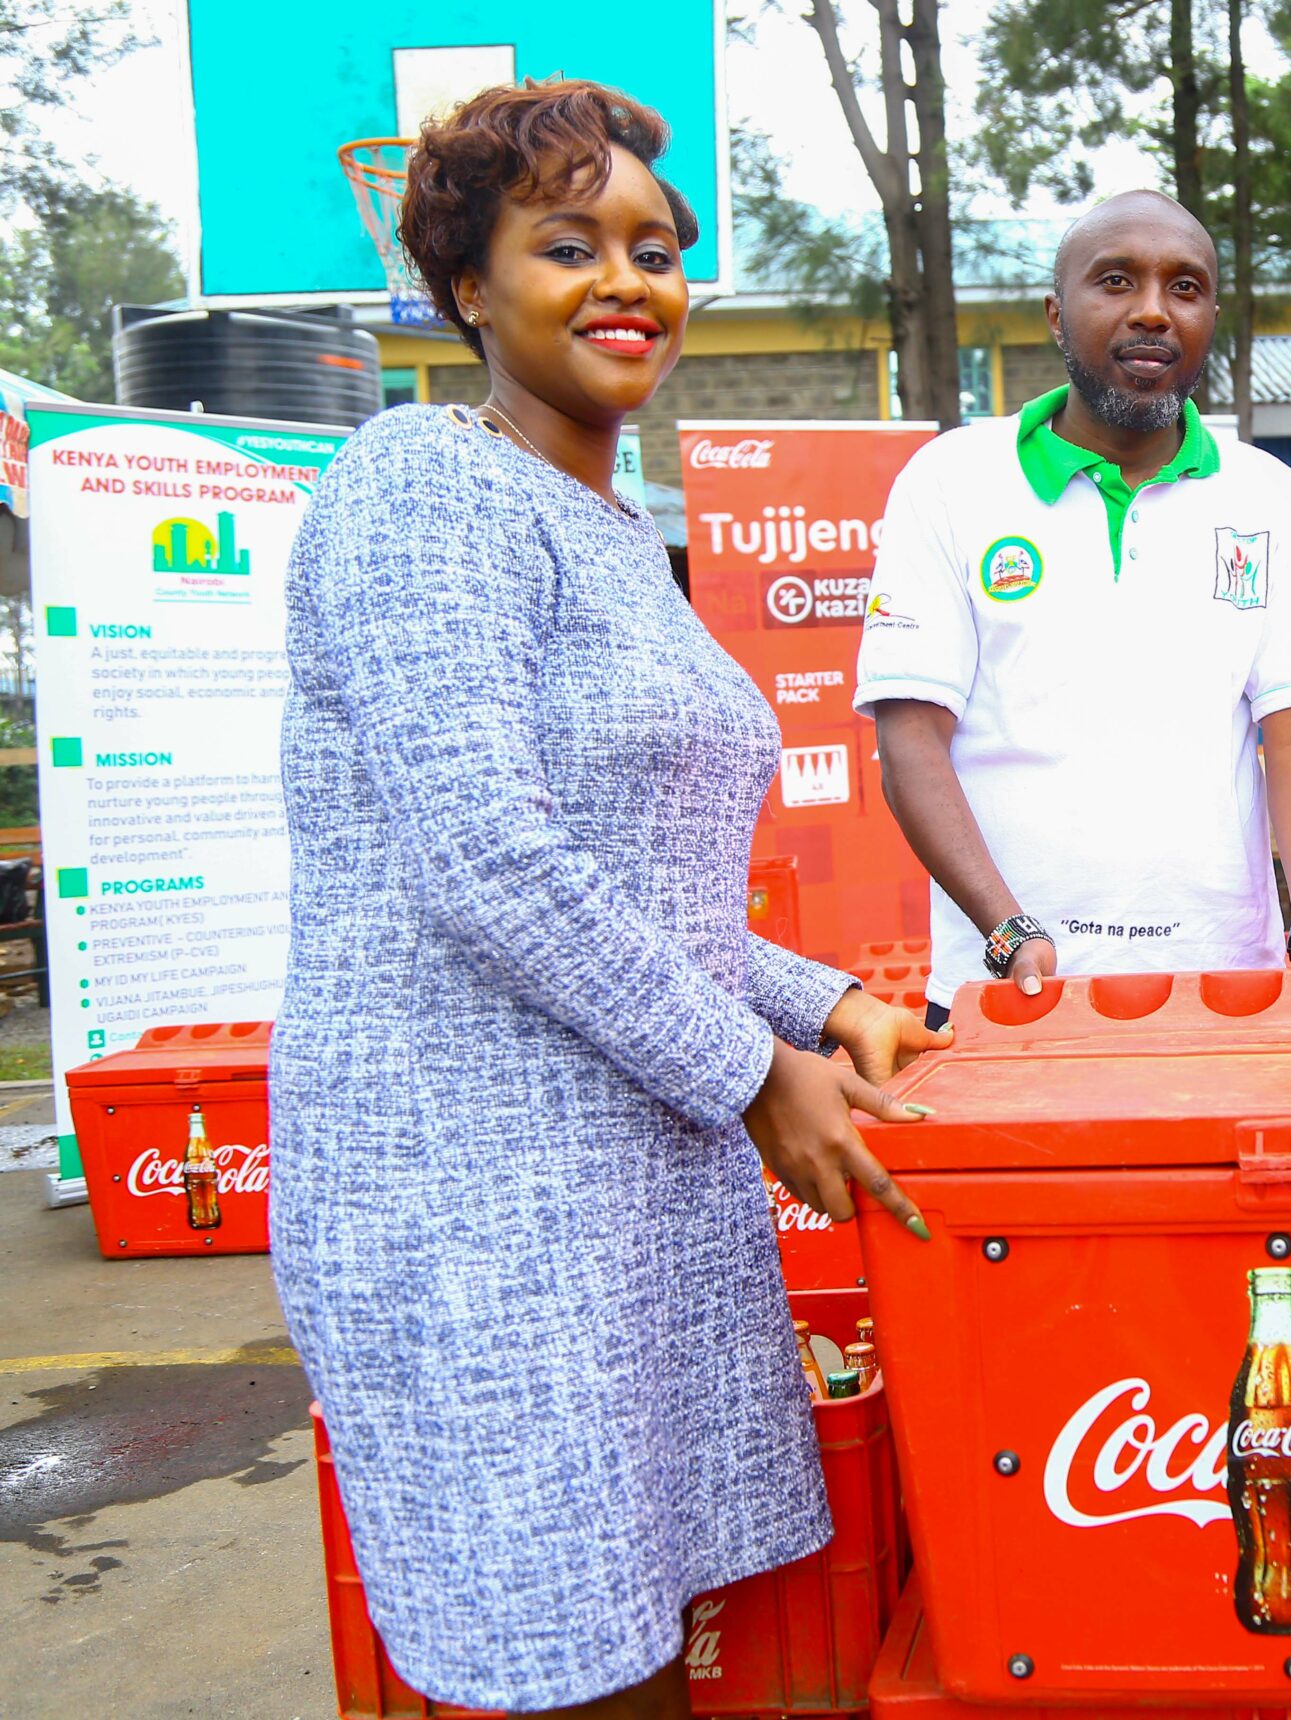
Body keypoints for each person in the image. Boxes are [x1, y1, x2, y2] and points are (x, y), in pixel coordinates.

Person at [269, 82, 942, 1720]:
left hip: (627, 1180)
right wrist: (753, 1072)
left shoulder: (613, 528)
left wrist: (819, 1004)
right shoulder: (419, 487)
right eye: (566, 245)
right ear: (465, 287)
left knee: (638, 1641)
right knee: (561, 1658)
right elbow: (489, 856)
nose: (625, 281)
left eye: (654, 247)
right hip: (477, 1193)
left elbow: (645, 890)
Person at [858, 190, 1291, 1025]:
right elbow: (911, 735)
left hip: (1230, 993)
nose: (1154, 311)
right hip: (1006, 993)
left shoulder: (1272, 496)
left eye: (1185, 288)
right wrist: (1006, 929)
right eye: (1117, 281)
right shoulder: (951, 482)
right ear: (1058, 313)